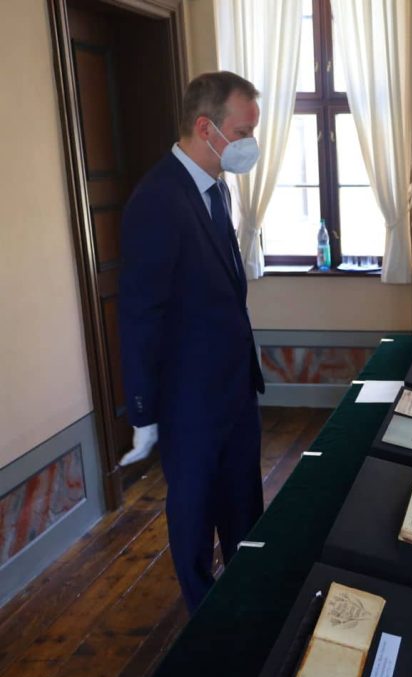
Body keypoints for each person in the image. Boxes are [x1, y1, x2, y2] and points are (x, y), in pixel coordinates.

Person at [118, 71, 266, 612]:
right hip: (189, 401)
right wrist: (143, 409)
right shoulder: (158, 199)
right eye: (243, 130)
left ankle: (249, 601)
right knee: (195, 514)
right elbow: (139, 312)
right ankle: (207, 624)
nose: (251, 143)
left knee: (244, 506)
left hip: (232, 390)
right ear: (206, 128)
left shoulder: (215, 189)